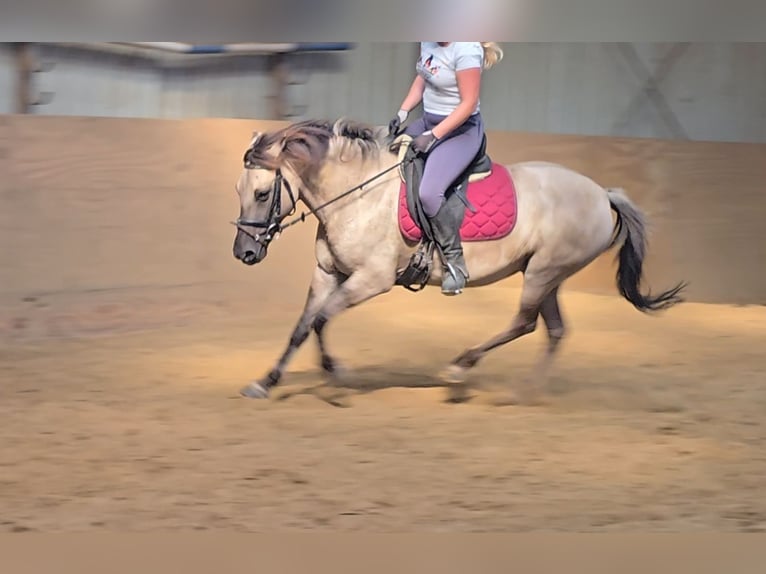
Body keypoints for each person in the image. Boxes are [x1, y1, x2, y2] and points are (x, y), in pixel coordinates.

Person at [388, 42, 504, 296]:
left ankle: (454, 262)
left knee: (429, 193)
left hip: (460, 131)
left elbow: (468, 103)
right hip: (428, 120)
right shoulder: (428, 40)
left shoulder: (465, 50)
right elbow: (423, 77)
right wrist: (402, 112)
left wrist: (433, 136)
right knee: (386, 155)